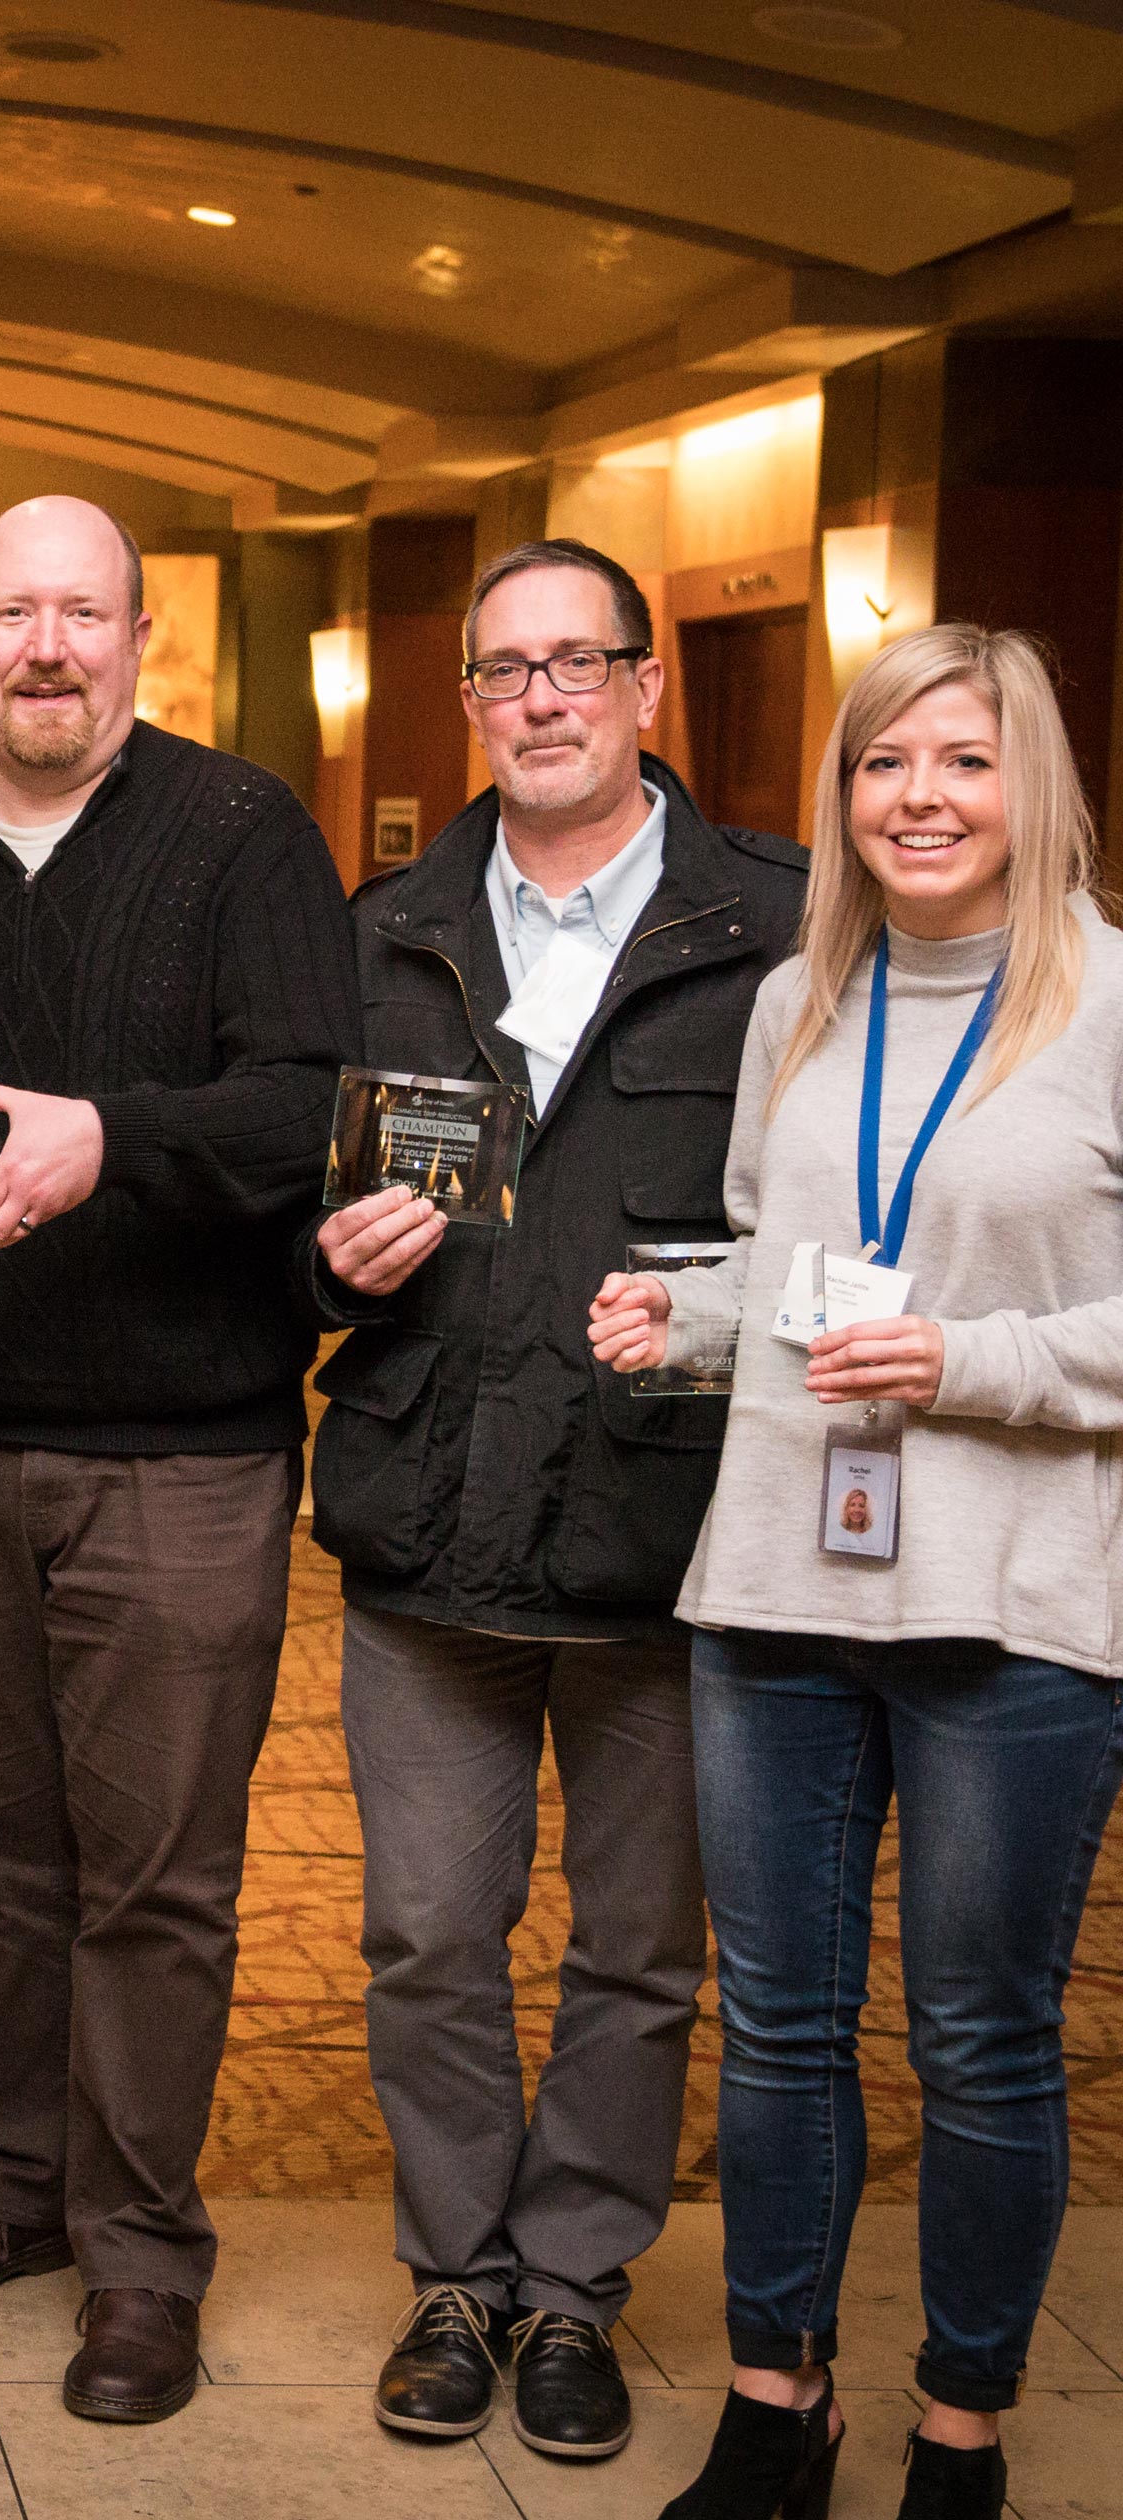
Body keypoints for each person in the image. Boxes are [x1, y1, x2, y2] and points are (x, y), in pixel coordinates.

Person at [0, 494, 358, 2426]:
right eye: (12, 614)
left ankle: (142, 2253)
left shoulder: (244, 835)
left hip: (186, 1460)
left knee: (161, 1883)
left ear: (140, 640)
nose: (47, 647)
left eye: (84, 614)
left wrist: (106, 1135)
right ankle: (9, 2187)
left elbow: (310, 1107)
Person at [590, 624, 1123, 2520]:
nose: (919, 800)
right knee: (781, 2025)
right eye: (884, 765)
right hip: (780, 1594)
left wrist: (973, 1362)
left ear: (1032, 785)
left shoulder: (1115, 1006)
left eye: (963, 763)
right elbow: (788, 1263)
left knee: (983, 2040)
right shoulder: (802, 1000)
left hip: (1017, 1611)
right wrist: (687, 1311)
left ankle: (961, 2432)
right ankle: (770, 2403)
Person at [299, 540, 805, 2460]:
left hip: (672, 1536)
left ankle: (576, 2285)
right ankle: (457, 2275)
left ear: (647, 687)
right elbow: (287, 1211)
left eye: (578, 662)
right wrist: (328, 1259)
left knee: (637, 1951)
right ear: (473, 707)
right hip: (428, 1517)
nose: (542, 698)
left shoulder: (779, 922)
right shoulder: (384, 930)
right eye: (505, 672)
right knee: (427, 1934)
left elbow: (840, 1224)